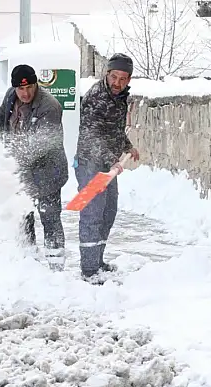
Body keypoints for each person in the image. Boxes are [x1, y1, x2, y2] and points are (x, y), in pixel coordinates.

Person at [0, 64, 69, 269]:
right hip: (21, 171)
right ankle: (28, 264)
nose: (25, 93)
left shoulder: (49, 106)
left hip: (47, 172)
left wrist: (10, 161)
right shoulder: (11, 96)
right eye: (20, 89)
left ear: (36, 84)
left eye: (29, 88)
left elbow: (37, 147)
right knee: (22, 216)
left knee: (49, 217)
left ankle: (56, 266)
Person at [74, 53, 140, 282]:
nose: (118, 83)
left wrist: (128, 146)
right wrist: (111, 158)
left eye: (123, 79)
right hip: (89, 163)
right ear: (107, 74)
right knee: (92, 213)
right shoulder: (96, 96)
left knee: (108, 212)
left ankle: (97, 261)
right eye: (114, 77)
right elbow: (91, 135)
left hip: (106, 165)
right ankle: (89, 270)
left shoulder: (119, 97)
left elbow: (113, 129)